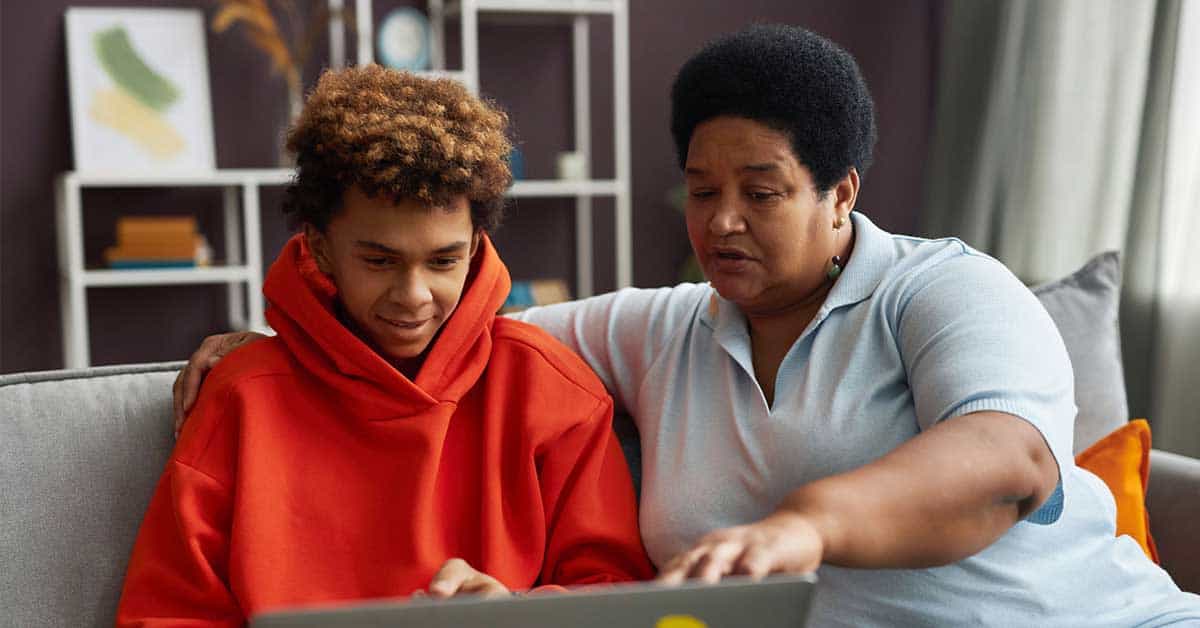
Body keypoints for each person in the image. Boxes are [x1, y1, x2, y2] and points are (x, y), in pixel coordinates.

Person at [173, 25, 1200, 626]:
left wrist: (806, 525)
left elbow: (1009, 460)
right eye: (702, 190)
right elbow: (454, 325)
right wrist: (280, 337)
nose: (722, 221)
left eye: (762, 191)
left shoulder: (944, 291)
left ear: (842, 193)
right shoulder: (654, 329)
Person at [117, 66, 653, 626]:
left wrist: (514, 614)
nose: (413, 295)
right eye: (379, 260)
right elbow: (167, 614)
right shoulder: (240, 397)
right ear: (321, 248)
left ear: (475, 246)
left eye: (443, 261)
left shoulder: (550, 389)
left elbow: (620, 599)